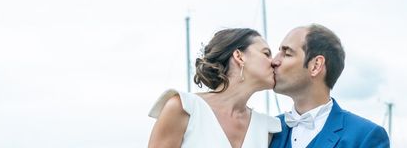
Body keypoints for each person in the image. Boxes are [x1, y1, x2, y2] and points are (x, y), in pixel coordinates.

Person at [147, 28, 281, 148]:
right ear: (239, 56)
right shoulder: (184, 108)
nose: (274, 62)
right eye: (266, 53)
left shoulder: (267, 128)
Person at [270, 24, 389, 148]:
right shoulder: (269, 130)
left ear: (316, 65)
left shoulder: (365, 136)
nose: (274, 61)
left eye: (287, 54)